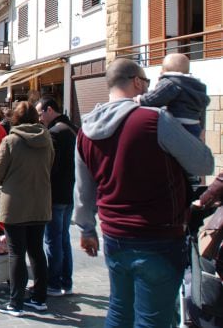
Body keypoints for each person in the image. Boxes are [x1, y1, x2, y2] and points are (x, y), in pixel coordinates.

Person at [74, 58, 213, 327]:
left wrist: (87, 230)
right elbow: (203, 163)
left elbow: (83, 189)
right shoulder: (154, 119)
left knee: (119, 311)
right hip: (158, 236)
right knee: (153, 320)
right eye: (147, 82)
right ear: (137, 82)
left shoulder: (86, 130)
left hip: (114, 236)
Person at [0, 101, 54, 317]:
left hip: (15, 204)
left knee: (16, 252)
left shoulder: (10, 140)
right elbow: (51, 165)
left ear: (14, 118)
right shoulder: (46, 139)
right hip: (40, 202)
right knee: (37, 251)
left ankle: (15, 302)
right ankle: (39, 298)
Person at [36, 97, 78, 297]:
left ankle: (53, 282)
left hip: (55, 194)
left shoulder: (55, 133)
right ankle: (66, 282)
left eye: (40, 113)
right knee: (63, 239)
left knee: (52, 240)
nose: (39, 118)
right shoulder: (73, 128)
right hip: (70, 192)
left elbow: (51, 167)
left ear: (49, 110)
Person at [136, 52, 210, 138]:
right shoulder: (197, 85)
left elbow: (155, 98)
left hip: (178, 124)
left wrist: (140, 99)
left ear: (163, 71)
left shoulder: (170, 82)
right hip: (194, 125)